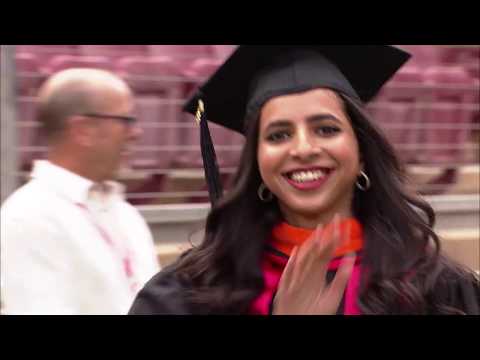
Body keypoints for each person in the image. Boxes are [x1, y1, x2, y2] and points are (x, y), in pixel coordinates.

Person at [129, 46, 479, 315]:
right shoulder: (187, 295)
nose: (304, 148)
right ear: (257, 161)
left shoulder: (440, 290)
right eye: (278, 135)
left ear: (361, 152)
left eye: (326, 129)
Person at [1, 68, 160, 314]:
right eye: (126, 121)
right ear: (83, 129)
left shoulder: (124, 213)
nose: (136, 133)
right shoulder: (29, 217)